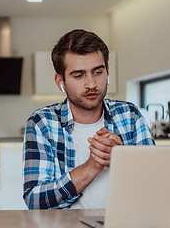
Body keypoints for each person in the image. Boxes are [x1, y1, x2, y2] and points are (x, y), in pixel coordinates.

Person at [23, 29, 155, 209]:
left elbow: (155, 184)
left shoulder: (129, 115)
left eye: (98, 72)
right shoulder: (42, 122)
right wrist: (92, 166)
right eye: (79, 75)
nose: (91, 84)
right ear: (60, 81)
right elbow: (36, 201)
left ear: (107, 72)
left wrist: (122, 159)